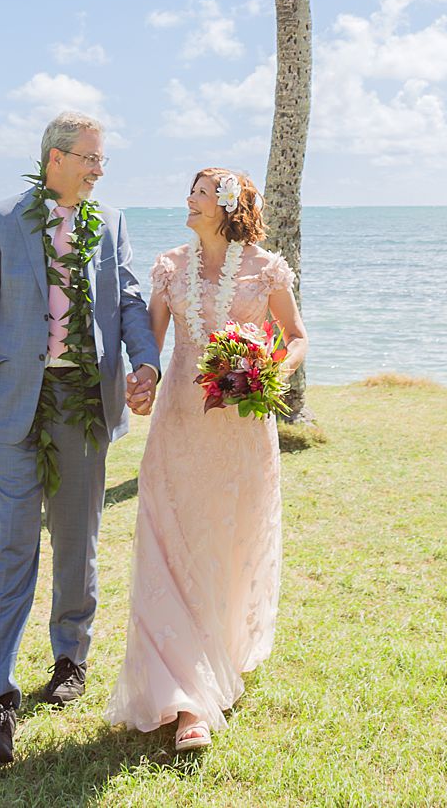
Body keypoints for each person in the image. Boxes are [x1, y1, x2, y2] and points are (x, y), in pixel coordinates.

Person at [0, 111, 160, 765]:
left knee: (79, 537)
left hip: (84, 402)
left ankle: (71, 655)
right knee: (13, 541)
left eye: (101, 160)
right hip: (15, 404)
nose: (100, 169)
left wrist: (146, 361)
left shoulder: (112, 222)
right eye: (92, 158)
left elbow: (128, 302)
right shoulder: (0, 218)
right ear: (56, 158)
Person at [105, 167, 309, 750]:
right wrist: (141, 381)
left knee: (227, 545)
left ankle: (211, 669)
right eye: (190, 193)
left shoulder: (266, 269)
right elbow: (151, 343)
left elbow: (295, 336)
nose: (188, 202)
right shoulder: (170, 266)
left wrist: (269, 368)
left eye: (199, 194)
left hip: (243, 432)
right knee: (171, 543)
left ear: (229, 205)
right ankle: (181, 695)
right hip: (179, 428)